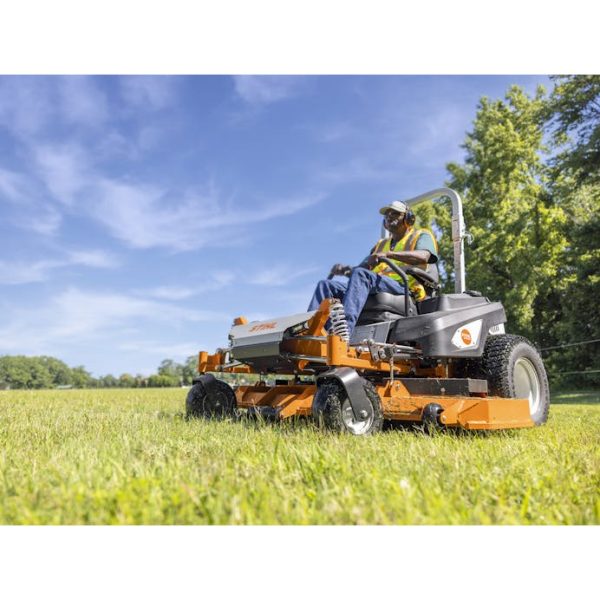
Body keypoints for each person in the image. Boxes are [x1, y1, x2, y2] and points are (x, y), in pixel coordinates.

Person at [307, 200, 438, 337]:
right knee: (326, 286)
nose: (389, 216)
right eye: (387, 214)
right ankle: (310, 332)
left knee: (362, 275)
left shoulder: (420, 235)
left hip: (404, 286)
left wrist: (388, 254)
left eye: (395, 213)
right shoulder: (380, 245)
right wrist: (344, 270)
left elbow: (424, 256)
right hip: (377, 284)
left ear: (408, 218)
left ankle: (342, 334)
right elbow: (360, 270)